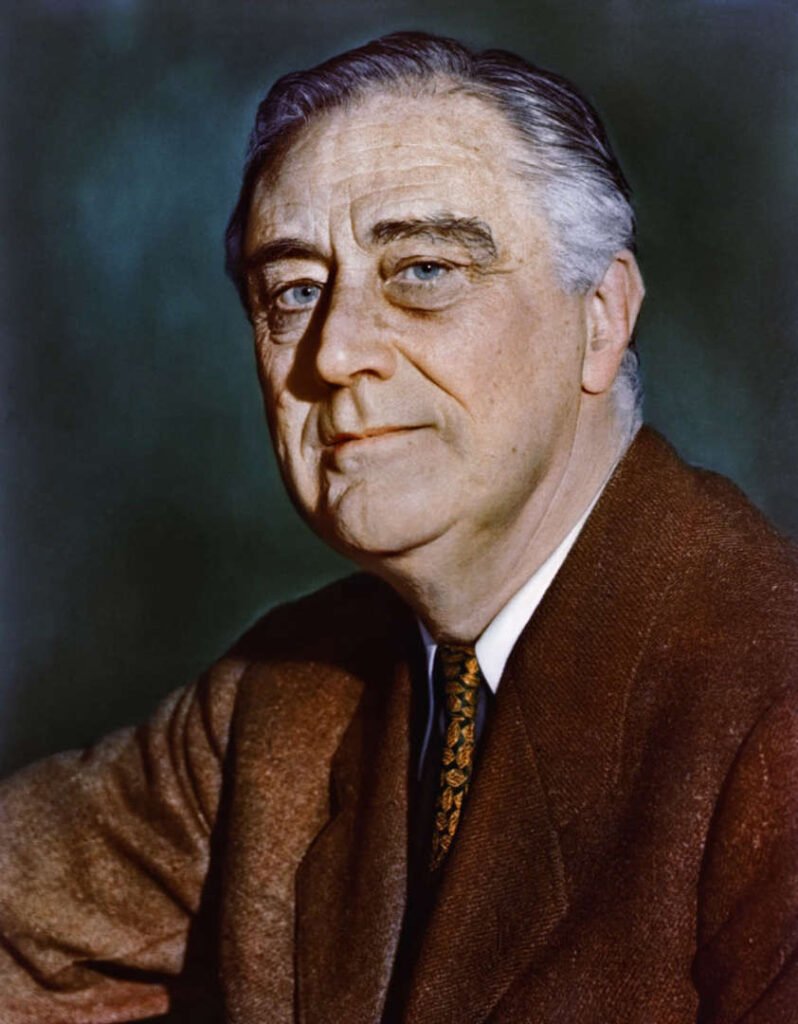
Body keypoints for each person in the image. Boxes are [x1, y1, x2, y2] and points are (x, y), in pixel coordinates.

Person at [1, 30, 796, 1024]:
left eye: (422, 270)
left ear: (600, 317)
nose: (334, 353)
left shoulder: (770, 701)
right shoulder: (282, 696)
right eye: (295, 291)